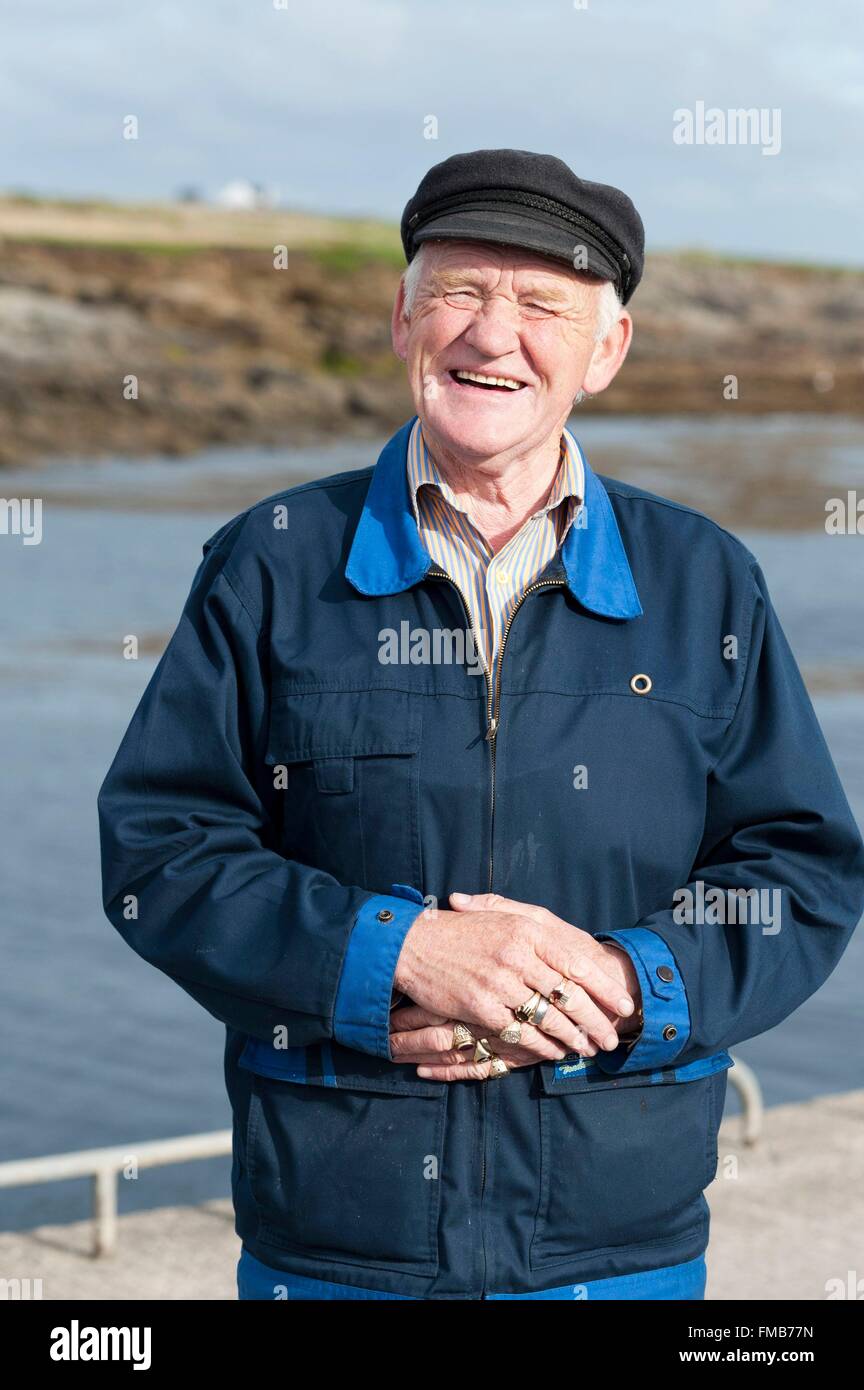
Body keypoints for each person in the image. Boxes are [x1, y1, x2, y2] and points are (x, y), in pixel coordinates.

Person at [98, 148, 864, 1301]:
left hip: (619, 1256)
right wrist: (388, 953)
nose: (493, 335)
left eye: (544, 303)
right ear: (405, 316)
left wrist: (632, 979)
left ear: (607, 351)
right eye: (460, 290)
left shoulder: (706, 581)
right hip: (336, 1252)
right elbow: (160, 851)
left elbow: (798, 872)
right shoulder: (271, 564)